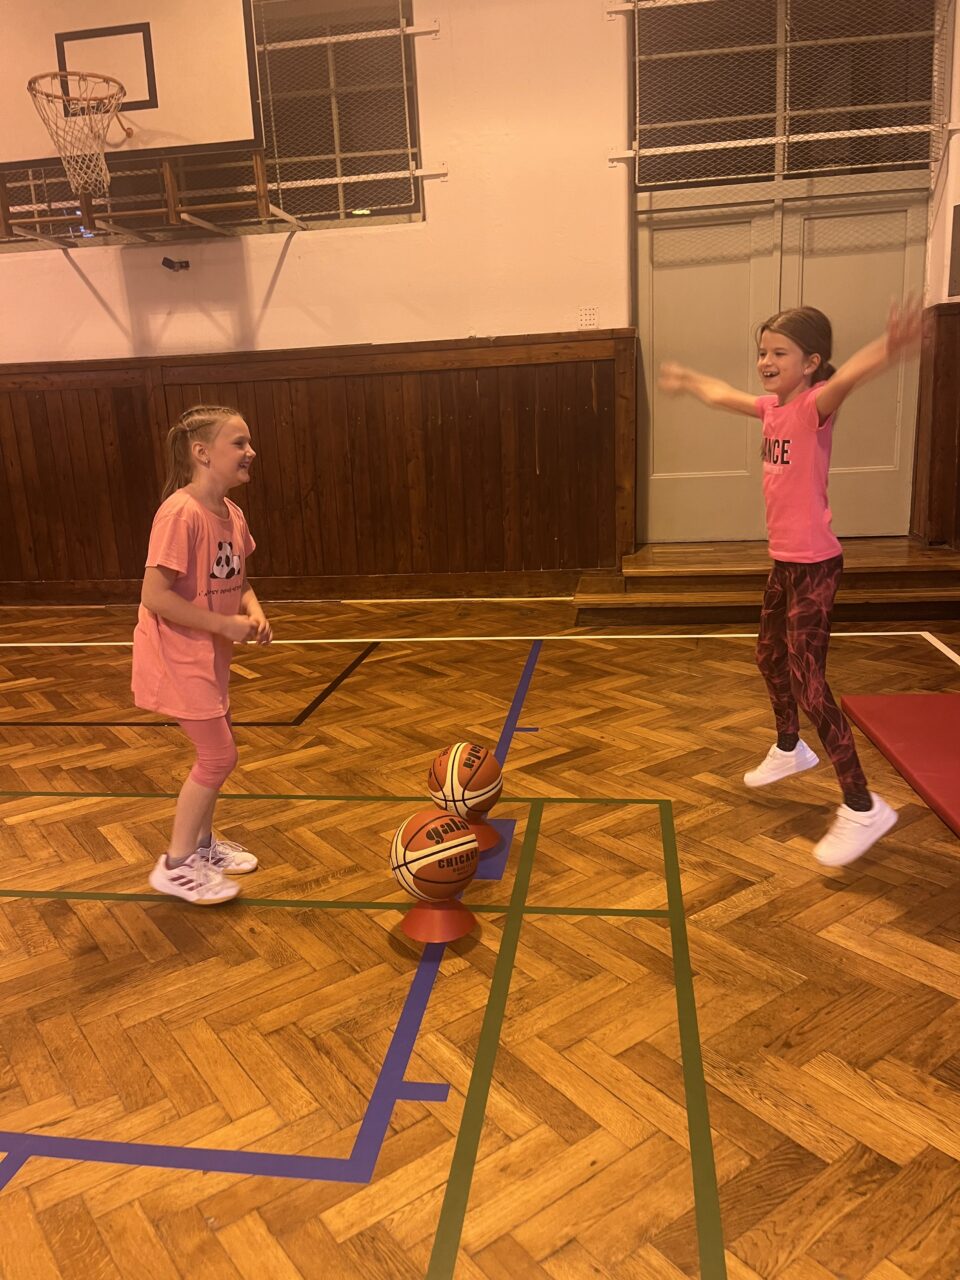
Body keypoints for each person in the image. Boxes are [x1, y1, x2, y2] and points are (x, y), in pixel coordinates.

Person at [659, 300, 922, 867]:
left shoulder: (812, 406)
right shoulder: (771, 409)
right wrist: (688, 380)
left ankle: (863, 805)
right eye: (762, 352)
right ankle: (790, 746)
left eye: (779, 352)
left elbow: (849, 378)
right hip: (784, 563)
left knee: (810, 684)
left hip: (815, 566)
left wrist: (889, 347)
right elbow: (721, 395)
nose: (765, 361)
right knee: (767, 656)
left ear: (811, 362)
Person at [132, 405, 272, 903]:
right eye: (239, 443)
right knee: (218, 755)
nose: (250, 451)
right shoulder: (180, 513)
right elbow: (154, 595)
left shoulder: (232, 514)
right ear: (202, 453)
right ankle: (175, 866)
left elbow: (239, 579)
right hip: (177, 656)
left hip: (210, 657)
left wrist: (253, 611)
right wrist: (223, 624)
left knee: (218, 751)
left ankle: (203, 846)